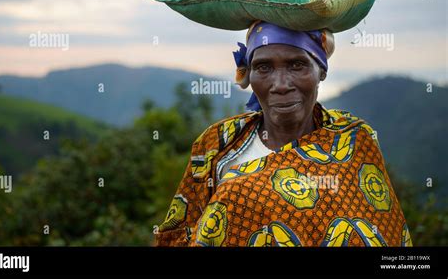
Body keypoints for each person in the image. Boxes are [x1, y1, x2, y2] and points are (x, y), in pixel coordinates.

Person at [155, 21, 412, 247]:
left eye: (297, 65)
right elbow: (181, 234)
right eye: (264, 67)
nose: (280, 85)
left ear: (321, 71)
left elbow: (383, 232)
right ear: (249, 75)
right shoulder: (217, 144)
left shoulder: (354, 139)